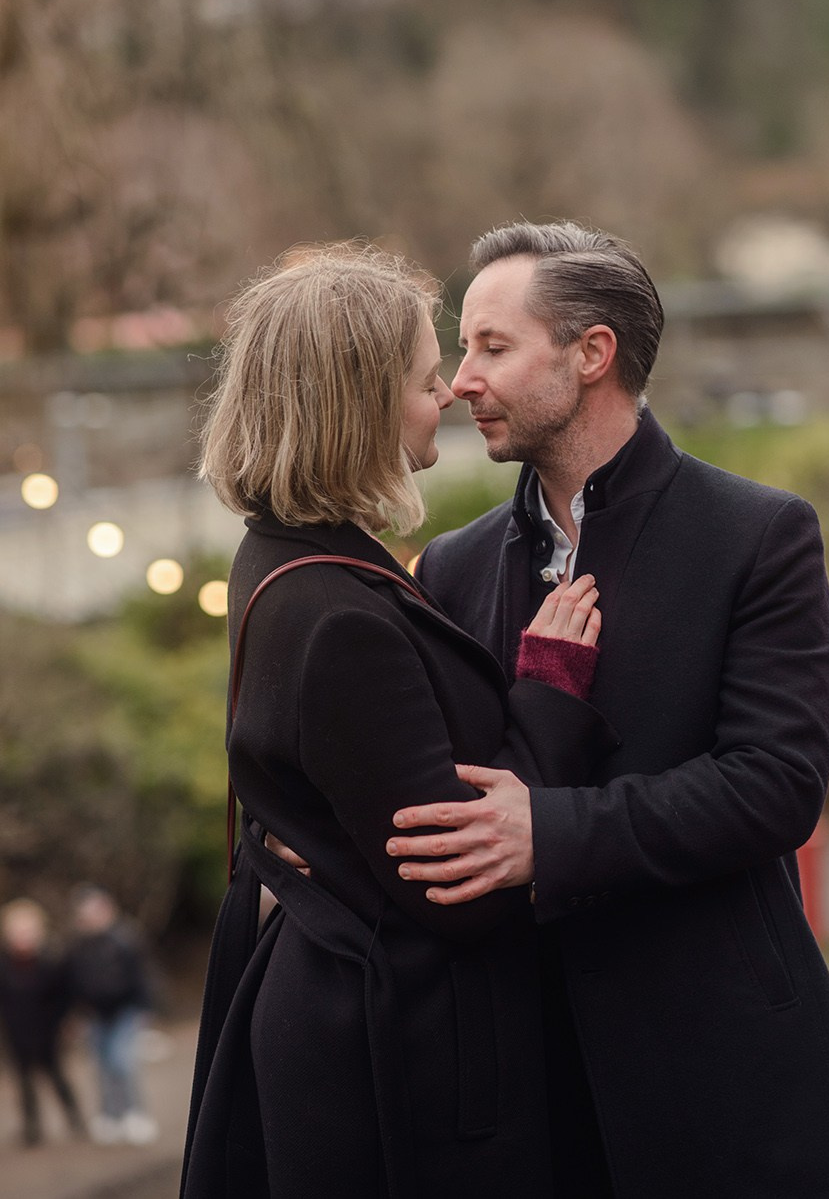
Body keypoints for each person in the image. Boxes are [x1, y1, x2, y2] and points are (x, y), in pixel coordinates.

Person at [379, 221, 829, 1198]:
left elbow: (775, 786)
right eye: (460, 350)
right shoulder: (449, 567)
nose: (459, 382)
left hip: (730, 1072)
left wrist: (550, 833)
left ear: (591, 353)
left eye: (492, 347)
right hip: (530, 1089)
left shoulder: (758, 534)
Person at [180, 244, 618, 1199]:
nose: (451, 392)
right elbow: (459, 883)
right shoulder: (335, 610)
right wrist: (549, 688)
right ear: (358, 405)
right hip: (394, 1067)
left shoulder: (284, 557)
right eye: (425, 380)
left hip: (351, 1021)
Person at [66, 886, 158, 1145]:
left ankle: (135, 1113)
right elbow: (72, 983)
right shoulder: (77, 946)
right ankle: (110, 1115)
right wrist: (75, 1014)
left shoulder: (126, 939)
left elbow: (143, 976)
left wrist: (145, 1009)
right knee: (102, 1066)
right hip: (94, 1015)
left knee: (122, 1063)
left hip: (124, 1011)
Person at [0, 897, 86, 1146]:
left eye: (27, 930)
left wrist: (65, 1022)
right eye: (17, 931)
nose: (22, 937)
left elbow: (65, 995)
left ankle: (75, 1118)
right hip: (17, 1031)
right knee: (24, 1081)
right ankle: (32, 1127)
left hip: (48, 1031)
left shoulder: (52, 961)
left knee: (57, 1076)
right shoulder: (5, 964)